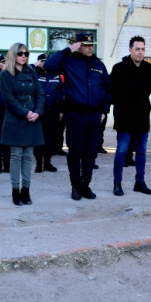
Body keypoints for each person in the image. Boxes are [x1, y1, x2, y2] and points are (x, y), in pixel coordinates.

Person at [44, 33, 111, 201]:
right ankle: (75, 187)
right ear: (78, 45)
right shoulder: (68, 61)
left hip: (94, 116)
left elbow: (108, 90)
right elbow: (48, 66)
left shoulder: (99, 65)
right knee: (75, 153)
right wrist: (68, 50)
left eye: (92, 45)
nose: (90, 47)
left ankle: (85, 186)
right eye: (86, 45)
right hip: (75, 114)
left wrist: (104, 111)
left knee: (90, 153)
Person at [0, 43, 44, 206]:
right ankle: (15, 191)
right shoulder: (5, 74)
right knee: (16, 156)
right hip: (16, 120)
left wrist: (37, 112)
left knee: (27, 157)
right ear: (13, 55)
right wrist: (26, 113)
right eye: (20, 53)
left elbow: (40, 93)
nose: (24, 56)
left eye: (26, 53)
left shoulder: (31, 72)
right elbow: (9, 100)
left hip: (32, 118)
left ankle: (26, 190)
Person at [110, 36, 151, 196]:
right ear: (130, 50)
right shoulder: (119, 68)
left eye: (143, 49)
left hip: (142, 117)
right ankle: (117, 183)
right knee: (121, 151)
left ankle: (140, 182)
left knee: (142, 151)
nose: (140, 52)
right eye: (137, 49)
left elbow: (147, 92)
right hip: (124, 117)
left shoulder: (148, 70)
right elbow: (112, 92)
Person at [32, 53, 63, 174]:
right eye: (42, 61)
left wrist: (61, 110)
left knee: (51, 138)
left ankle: (48, 162)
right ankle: (39, 163)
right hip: (39, 112)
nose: (45, 63)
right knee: (39, 138)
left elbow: (62, 93)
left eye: (47, 61)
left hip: (53, 111)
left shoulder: (56, 75)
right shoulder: (34, 74)